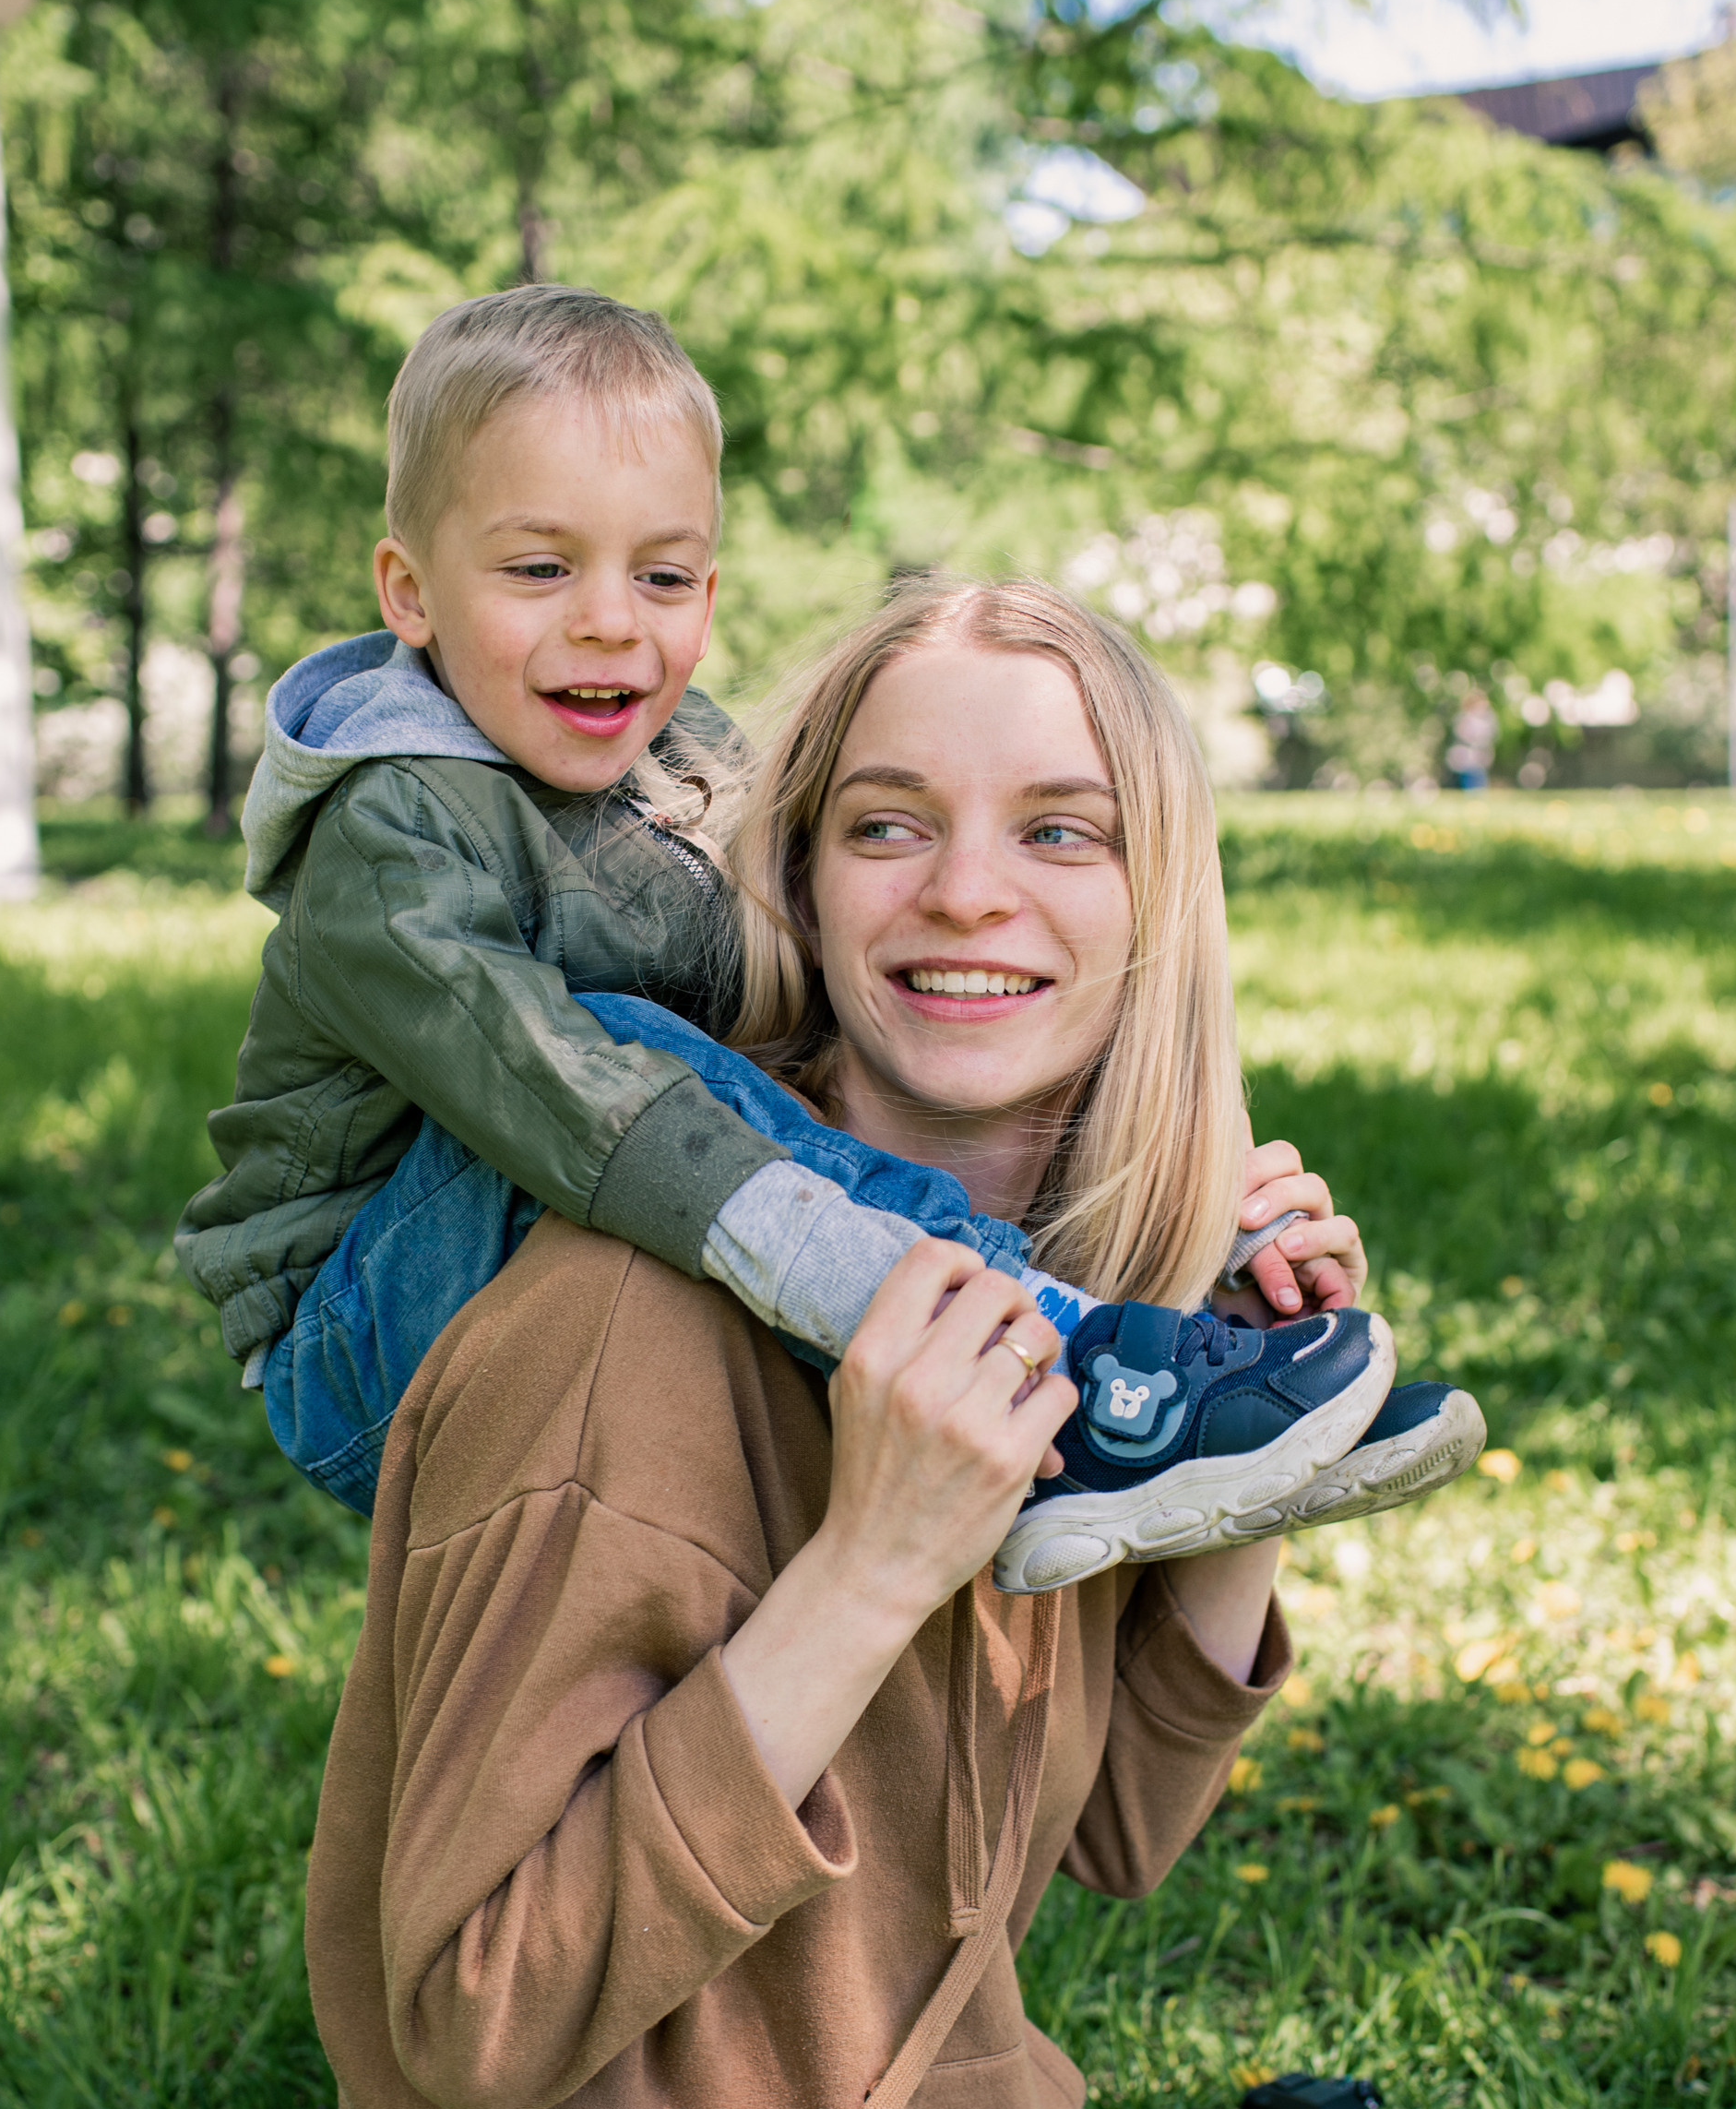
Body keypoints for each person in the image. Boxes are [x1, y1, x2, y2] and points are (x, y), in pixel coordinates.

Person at [306, 576, 1697, 2109]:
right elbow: (468, 2017)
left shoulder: (1057, 1313)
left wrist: (1252, 1488)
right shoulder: (608, 1349)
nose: (971, 894)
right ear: (795, 881)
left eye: (1061, 830)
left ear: (1150, 901)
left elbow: (1112, 1847)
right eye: (888, 826)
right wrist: (867, 1567)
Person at [176, 283, 1484, 1586]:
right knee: (620, 1045)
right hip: (363, 1327)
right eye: (539, 568)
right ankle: (1039, 1346)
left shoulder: (675, 773)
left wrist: (1202, 1229)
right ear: (408, 593)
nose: (611, 620)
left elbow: (811, 1021)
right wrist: (910, 1280)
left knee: (686, 1070)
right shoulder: (386, 837)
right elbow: (551, 1088)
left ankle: (1151, 1360)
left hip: (553, 1222)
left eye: (665, 574)